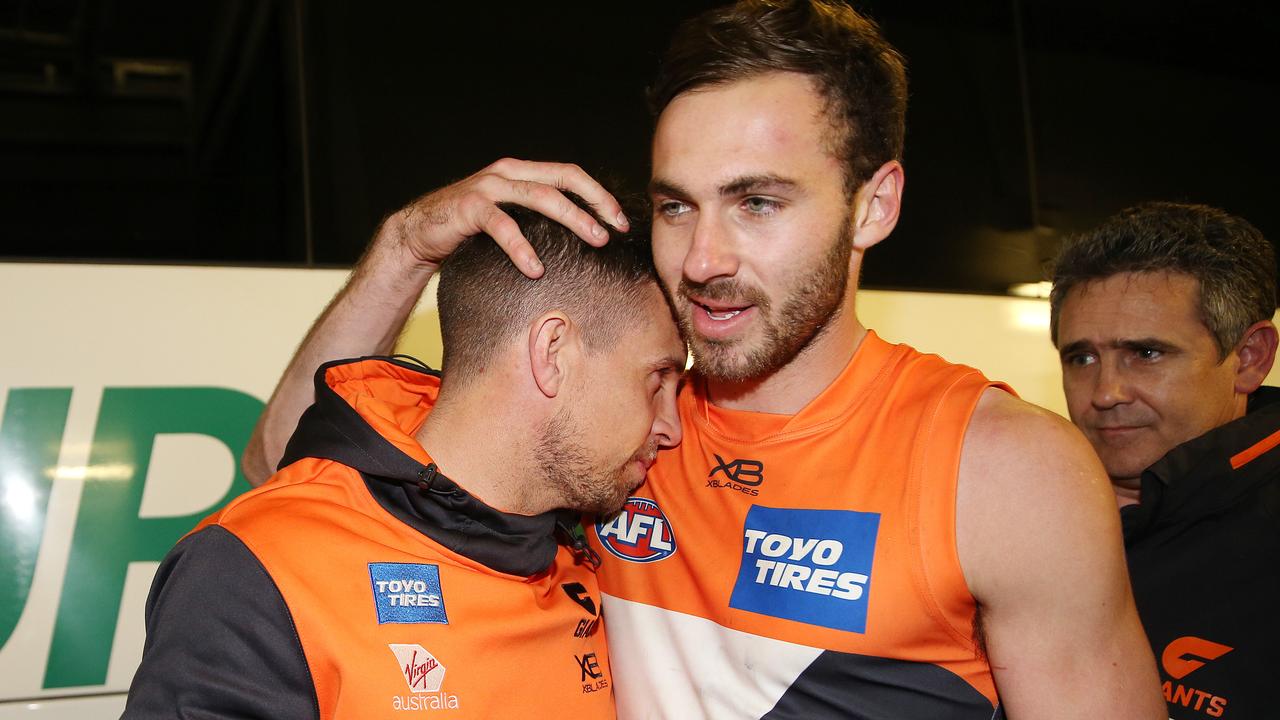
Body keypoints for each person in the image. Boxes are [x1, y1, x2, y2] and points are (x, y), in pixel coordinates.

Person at [243, 2, 1165, 717]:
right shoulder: (596, 411)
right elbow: (286, 467)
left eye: (757, 203)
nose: (703, 258)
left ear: (874, 205)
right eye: (677, 206)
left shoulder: (1007, 471)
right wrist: (406, 246)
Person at [122, 197, 687, 719]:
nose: (671, 426)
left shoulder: (600, 543)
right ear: (552, 352)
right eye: (657, 378)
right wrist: (405, 246)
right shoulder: (256, 566)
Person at [1051, 202, 1280, 720]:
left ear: (1249, 358)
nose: (1105, 392)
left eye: (1147, 354)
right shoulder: (1029, 509)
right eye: (1081, 358)